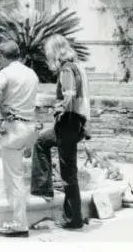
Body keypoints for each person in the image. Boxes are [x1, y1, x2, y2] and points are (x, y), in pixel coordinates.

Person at [30, 34, 91, 230]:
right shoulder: (78, 66)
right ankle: (71, 214)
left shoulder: (66, 69)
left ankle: (71, 217)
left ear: (54, 52)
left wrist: (58, 109)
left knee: (67, 172)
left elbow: (70, 95)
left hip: (68, 123)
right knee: (44, 143)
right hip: (77, 122)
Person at [0, 40, 40, 238]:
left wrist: (1, 107)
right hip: (29, 126)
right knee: (20, 176)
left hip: (14, 127)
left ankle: (19, 224)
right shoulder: (31, 73)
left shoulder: (6, 73)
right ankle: (21, 219)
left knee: (14, 179)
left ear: (2, 56)